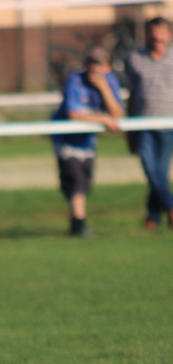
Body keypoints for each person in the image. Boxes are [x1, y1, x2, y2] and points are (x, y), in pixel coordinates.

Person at [51, 47, 124, 238]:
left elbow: (118, 115)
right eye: (92, 63)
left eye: (99, 64)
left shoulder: (110, 82)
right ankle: (79, 224)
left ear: (107, 67)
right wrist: (102, 119)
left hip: (87, 142)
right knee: (76, 180)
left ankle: (77, 223)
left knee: (84, 182)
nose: (95, 68)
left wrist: (104, 88)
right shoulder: (74, 81)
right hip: (67, 141)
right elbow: (73, 113)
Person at [125, 16, 173, 229]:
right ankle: (169, 208)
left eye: (161, 31)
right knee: (151, 171)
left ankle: (153, 217)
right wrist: (128, 127)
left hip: (168, 125)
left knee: (159, 173)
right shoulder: (135, 58)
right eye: (153, 32)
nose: (156, 36)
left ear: (169, 34)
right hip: (143, 123)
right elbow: (132, 94)